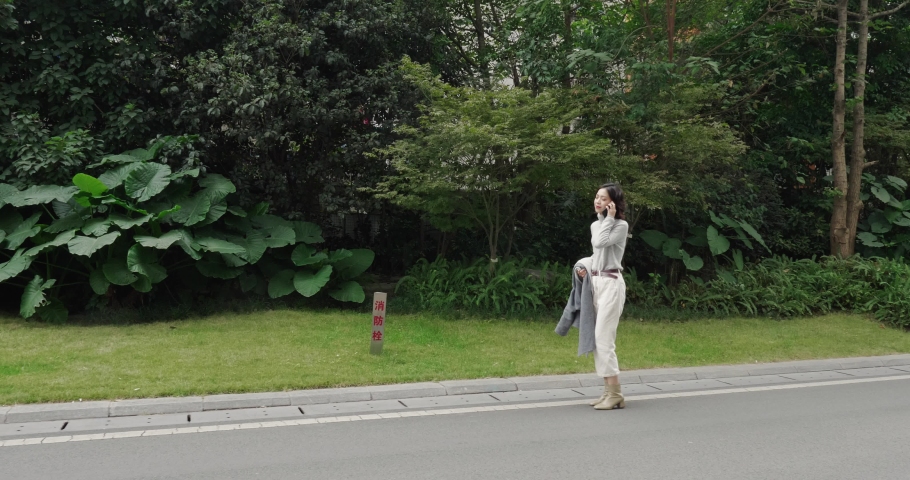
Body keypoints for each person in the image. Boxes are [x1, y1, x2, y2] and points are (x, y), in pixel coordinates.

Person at [564, 183, 629, 410]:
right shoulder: (596, 225)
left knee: (604, 340)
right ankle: (608, 392)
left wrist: (609, 218)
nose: (598, 201)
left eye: (603, 198)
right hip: (596, 283)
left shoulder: (621, 225)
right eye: (596, 197)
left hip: (612, 284)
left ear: (613, 203)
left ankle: (615, 394)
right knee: (597, 340)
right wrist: (584, 267)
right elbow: (597, 253)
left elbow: (601, 242)